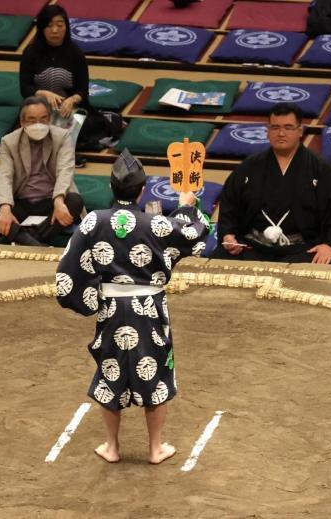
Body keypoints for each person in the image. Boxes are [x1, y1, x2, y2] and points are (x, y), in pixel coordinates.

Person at [55, 149, 209, 464]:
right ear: (142, 191)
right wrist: (186, 205)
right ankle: (155, 448)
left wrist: (90, 298)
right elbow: (194, 233)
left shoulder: (93, 221)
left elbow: (68, 268)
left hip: (111, 309)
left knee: (111, 369)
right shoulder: (156, 224)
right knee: (155, 371)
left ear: (111, 188)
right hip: (149, 311)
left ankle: (111, 447)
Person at [213, 102, 331, 265]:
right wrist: (228, 235)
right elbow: (230, 205)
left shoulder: (321, 170)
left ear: (300, 131)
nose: (281, 133)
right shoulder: (249, 167)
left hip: (304, 249)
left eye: (288, 127)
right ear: (267, 131)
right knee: (217, 262)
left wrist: (329, 244)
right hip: (255, 247)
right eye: (275, 127)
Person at [0, 96, 83, 247]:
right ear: (22, 123)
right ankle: (36, 244)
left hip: (51, 201)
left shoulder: (62, 137)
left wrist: (59, 200)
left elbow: (65, 170)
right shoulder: (9, 141)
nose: (38, 124)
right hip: (22, 202)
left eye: (43, 119)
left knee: (75, 202)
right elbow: (4, 176)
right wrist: (5, 208)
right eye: (32, 120)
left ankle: (19, 238)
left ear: (49, 120)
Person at [20, 5, 117, 157]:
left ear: (66, 26)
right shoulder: (30, 53)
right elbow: (24, 88)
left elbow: (83, 89)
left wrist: (73, 99)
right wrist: (44, 93)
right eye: (49, 26)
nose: (55, 30)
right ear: (41, 28)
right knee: (32, 128)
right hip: (39, 107)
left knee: (89, 127)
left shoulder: (75, 53)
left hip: (69, 109)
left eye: (60, 25)